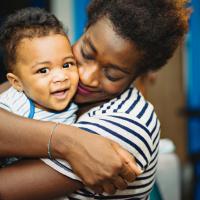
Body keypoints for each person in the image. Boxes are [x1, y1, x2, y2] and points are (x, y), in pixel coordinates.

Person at [0, 0, 189, 199]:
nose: (86, 77)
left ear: (138, 75)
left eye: (113, 74)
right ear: (84, 30)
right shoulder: (60, 82)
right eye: (86, 53)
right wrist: (69, 141)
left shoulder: (127, 122)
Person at [0, 7, 79, 166]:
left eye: (67, 64)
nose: (61, 77)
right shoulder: (12, 106)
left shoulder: (79, 100)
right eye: (43, 70)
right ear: (17, 82)